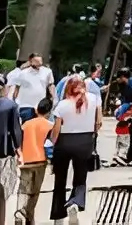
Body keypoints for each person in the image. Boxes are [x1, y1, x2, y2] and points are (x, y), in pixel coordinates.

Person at [49, 76, 101, 225]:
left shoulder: (62, 105)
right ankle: (75, 202)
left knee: (60, 179)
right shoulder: (93, 99)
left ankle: (58, 213)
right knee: (80, 177)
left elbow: (56, 129)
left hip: (64, 142)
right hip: (85, 141)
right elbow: (98, 122)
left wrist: (52, 142)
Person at [0, 75, 21, 225]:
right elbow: (15, 131)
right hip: (3, 158)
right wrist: (19, 151)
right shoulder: (10, 106)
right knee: (1, 197)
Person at [16, 98, 51, 225]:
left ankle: (19, 214)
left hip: (26, 162)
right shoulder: (50, 125)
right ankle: (29, 217)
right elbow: (51, 145)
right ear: (49, 112)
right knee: (35, 192)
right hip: (40, 161)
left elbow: (18, 141)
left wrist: (19, 155)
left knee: (23, 190)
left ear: (36, 110)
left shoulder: (26, 125)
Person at [10, 55, 54, 125]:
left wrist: (52, 98)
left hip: (40, 105)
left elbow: (50, 85)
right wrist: (14, 100)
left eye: (40, 61)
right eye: (37, 61)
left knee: (39, 126)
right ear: (30, 62)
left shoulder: (47, 72)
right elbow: (17, 88)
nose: (39, 63)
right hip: (25, 105)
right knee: (25, 126)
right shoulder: (23, 73)